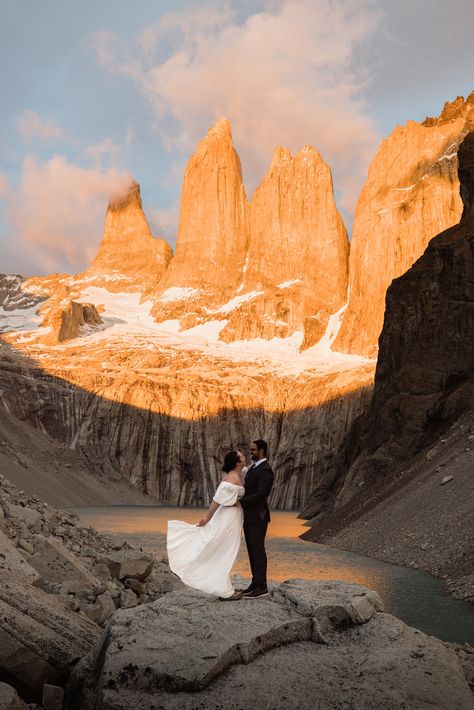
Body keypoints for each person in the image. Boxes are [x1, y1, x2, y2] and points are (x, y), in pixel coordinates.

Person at [166, 450, 245, 600]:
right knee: (225, 550)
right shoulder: (231, 478)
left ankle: (225, 585)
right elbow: (216, 500)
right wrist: (207, 518)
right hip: (227, 518)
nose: (245, 457)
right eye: (242, 457)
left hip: (235, 517)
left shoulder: (240, 473)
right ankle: (224, 590)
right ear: (237, 462)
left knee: (228, 550)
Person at [238, 439, 274, 598]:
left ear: (261, 451)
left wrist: (240, 503)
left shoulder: (265, 470)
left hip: (258, 517)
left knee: (258, 550)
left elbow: (261, 495)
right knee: (252, 550)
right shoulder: (255, 468)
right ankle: (255, 582)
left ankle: (262, 586)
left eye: (253, 450)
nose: (250, 452)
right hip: (250, 516)